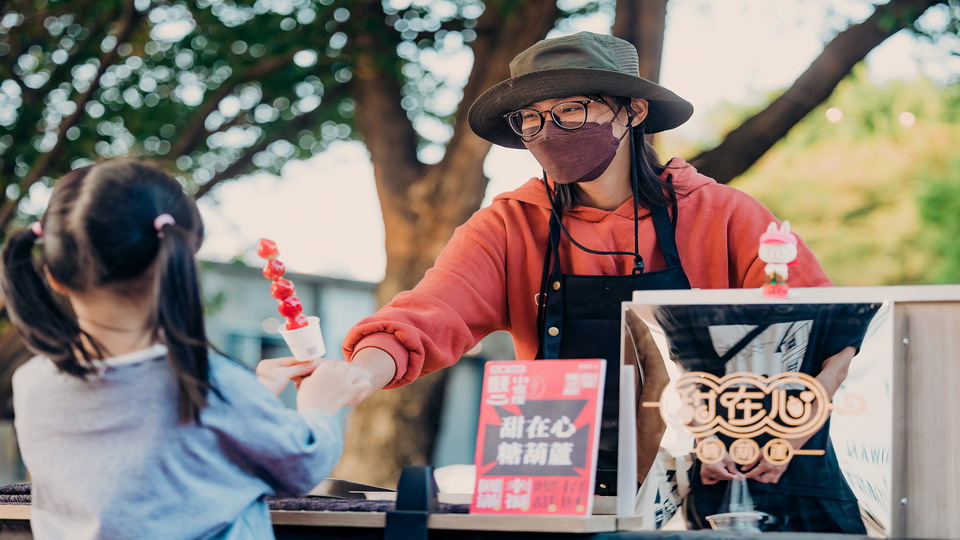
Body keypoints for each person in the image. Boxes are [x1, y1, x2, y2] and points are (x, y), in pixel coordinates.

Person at [334, 31, 831, 495]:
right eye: (532, 117)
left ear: (632, 112)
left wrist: (778, 430)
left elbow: (829, 331)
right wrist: (358, 373)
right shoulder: (509, 227)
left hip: (700, 477)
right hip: (546, 479)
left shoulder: (724, 215)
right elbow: (426, 315)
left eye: (570, 110)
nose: (548, 130)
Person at [0, 159, 369, 539]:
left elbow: (150, 451)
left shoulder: (32, 384)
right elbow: (299, 466)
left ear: (55, 276)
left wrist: (253, 395)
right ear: (177, 263)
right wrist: (318, 407)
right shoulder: (214, 386)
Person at [652, 302, 880, 533]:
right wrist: (785, 446)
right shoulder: (834, 302)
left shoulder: (683, 302)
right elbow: (833, 376)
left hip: (720, 476)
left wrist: (709, 446)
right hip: (807, 477)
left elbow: (690, 387)